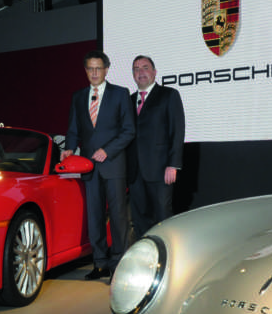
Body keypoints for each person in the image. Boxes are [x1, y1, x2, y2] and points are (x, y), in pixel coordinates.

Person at [62, 50, 136, 280]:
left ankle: (118, 265)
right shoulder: (78, 96)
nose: (94, 73)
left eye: (98, 68)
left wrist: (108, 150)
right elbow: (74, 130)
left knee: (118, 217)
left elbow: (129, 131)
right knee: (94, 217)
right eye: (90, 69)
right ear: (86, 71)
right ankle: (100, 263)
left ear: (106, 69)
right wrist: (69, 149)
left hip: (113, 164)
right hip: (88, 167)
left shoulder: (120, 94)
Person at [127, 55, 186, 239]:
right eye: (136, 69)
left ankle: (167, 253)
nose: (141, 72)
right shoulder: (128, 101)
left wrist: (173, 164)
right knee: (139, 219)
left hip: (161, 169)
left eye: (145, 67)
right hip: (134, 172)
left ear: (154, 72)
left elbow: (177, 131)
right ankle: (145, 253)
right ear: (133, 75)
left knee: (163, 217)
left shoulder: (169, 95)